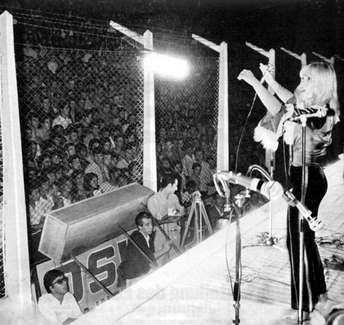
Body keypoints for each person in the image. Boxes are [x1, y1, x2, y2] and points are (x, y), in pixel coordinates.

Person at [238, 61, 340, 322]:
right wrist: (262, 81)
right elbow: (281, 105)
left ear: (319, 84)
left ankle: (306, 306)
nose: (301, 82)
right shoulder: (310, 107)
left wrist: (273, 91)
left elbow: (290, 108)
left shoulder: (323, 111)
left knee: (298, 241)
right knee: (302, 241)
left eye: (306, 79)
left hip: (308, 180)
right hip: (303, 179)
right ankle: (319, 298)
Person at [117, 212, 169, 288]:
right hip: (131, 278)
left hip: (141, 273)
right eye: (147, 225)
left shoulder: (147, 236)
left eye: (151, 223)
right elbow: (149, 257)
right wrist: (164, 250)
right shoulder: (136, 237)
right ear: (140, 227)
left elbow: (151, 261)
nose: (151, 227)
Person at [147, 174, 185, 265]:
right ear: (168, 185)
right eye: (175, 186)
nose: (176, 189)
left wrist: (179, 211)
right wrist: (174, 212)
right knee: (162, 264)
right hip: (160, 236)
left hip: (174, 232)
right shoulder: (153, 200)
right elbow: (158, 219)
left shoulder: (174, 197)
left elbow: (182, 211)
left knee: (176, 260)